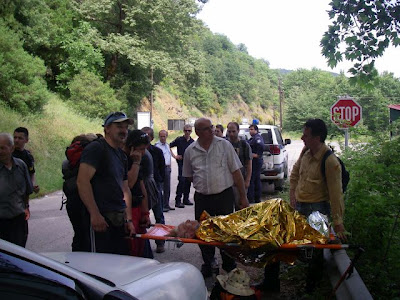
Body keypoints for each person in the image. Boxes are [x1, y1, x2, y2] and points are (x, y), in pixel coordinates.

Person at [183, 118, 249, 277]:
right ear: (197, 132)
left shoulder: (224, 146)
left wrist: (243, 197)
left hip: (224, 197)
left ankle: (228, 264)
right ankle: (209, 263)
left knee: (226, 233)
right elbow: (189, 176)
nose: (211, 131)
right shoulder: (190, 151)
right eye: (207, 129)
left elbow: (236, 173)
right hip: (202, 199)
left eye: (212, 127)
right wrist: (204, 185)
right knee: (203, 233)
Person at [290, 118, 347, 292]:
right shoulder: (305, 153)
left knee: (315, 252)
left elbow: (336, 195)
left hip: (318, 211)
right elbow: (294, 174)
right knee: (295, 246)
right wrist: (292, 195)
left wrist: (338, 223)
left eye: (306, 135)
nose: (302, 138)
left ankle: (311, 289)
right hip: (300, 207)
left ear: (317, 137)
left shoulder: (330, 161)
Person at [77, 112, 135, 255]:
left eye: (125, 127)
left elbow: (125, 189)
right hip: (101, 219)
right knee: (99, 265)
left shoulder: (121, 155)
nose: (123, 130)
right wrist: (95, 214)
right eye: (119, 126)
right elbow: (82, 181)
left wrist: (128, 219)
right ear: (107, 129)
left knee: (118, 262)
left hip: (118, 219)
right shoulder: (96, 149)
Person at [0, 133, 33, 247]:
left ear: (11, 148)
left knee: (19, 252)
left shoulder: (21, 165)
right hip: (1, 219)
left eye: (2, 148)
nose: (0, 152)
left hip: (18, 219)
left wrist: (26, 207)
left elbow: (27, 190)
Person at [123, 130, 152, 258]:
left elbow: (141, 187)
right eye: (141, 149)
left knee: (141, 247)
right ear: (131, 147)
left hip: (138, 208)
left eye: (145, 149)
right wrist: (135, 163)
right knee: (132, 248)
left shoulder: (139, 159)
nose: (143, 153)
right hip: (129, 210)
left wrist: (145, 213)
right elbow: (128, 184)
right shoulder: (123, 159)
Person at [141, 127, 166, 254]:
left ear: (151, 138)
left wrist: (159, 182)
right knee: (142, 216)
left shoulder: (157, 151)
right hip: (140, 188)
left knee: (159, 215)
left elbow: (163, 168)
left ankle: (160, 242)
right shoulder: (136, 151)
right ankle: (142, 244)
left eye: (147, 136)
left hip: (155, 186)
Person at [227, 122, 252, 210]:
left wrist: (247, 181)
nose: (231, 134)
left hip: (241, 181)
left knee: (240, 207)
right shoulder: (224, 144)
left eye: (233, 131)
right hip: (227, 182)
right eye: (229, 131)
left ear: (238, 131)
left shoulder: (244, 145)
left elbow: (249, 163)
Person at [170, 124, 194, 208]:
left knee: (188, 181)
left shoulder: (193, 142)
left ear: (191, 131)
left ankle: (186, 199)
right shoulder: (179, 140)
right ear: (183, 131)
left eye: (189, 131)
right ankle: (178, 200)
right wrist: (175, 156)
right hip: (181, 163)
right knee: (182, 180)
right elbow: (168, 146)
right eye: (186, 130)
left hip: (189, 164)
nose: (187, 132)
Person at [13, 127, 39, 194]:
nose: (16, 140)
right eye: (15, 137)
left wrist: (33, 185)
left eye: (20, 138)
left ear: (26, 140)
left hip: (23, 194)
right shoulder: (7, 153)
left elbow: (31, 173)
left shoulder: (28, 156)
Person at [155, 130, 175, 212]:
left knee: (167, 188)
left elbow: (169, 154)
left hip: (167, 168)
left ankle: (166, 204)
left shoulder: (167, 145)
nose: (163, 138)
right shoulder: (157, 146)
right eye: (161, 136)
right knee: (161, 188)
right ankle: (161, 205)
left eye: (164, 136)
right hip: (161, 168)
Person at [247, 124, 264, 203]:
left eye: (252, 129)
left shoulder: (257, 138)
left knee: (254, 179)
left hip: (256, 162)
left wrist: (257, 155)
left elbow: (260, 146)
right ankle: (254, 198)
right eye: (250, 129)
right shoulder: (252, 139)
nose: (251, 131)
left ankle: (254, 198)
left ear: (256, 130)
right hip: (253, 162)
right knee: (254, 179)